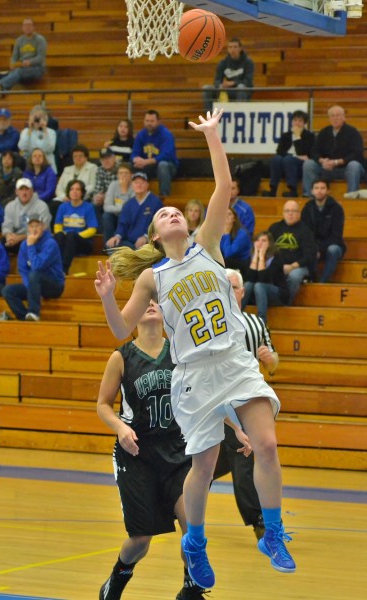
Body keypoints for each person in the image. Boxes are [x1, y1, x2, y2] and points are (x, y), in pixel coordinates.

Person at [95, 109, 296, 590]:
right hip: (192, 375)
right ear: (156, 236)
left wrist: (212, 136)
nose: (171, 213)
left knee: (266, 444)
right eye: (162, 214)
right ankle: (196, 542)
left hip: (233, 360)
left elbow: (223, 185)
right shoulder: (152, 277)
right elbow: (121, 330)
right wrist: (106, 298)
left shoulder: (208, 242)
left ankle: (272, 531)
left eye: (174, 210)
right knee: (203, 467)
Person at [97, 301, 209, 600]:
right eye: (143, 300)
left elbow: (206, 397)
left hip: (179, 454)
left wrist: (238, 429)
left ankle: (191, 591)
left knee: (193, 534)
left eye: (156, 300)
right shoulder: (121, 357)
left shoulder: (181, 353)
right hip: (138, 456)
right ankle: (116, 582)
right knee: (140, 540)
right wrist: (121, 428)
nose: (149, 303)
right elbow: (103, 405)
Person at [214, 267, 280, 540]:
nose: (229, 291)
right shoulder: (213, 324)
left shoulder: (256, 324)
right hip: (217, 401)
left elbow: (274, 364)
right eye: (223, 287)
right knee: (215, 461)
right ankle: (178, 493)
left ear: (242, 291)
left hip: (247, 404)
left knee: (241, 458)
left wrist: (270, 358)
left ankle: (260, 521)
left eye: (233, 287)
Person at [2, 213, 64, 321]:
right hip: (34, 284)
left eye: (37, 226)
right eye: (31, 226)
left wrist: (31, 245)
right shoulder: (23, 245)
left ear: (43, 227)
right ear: (28, 228)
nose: (34, 229)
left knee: (34, 274)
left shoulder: (50, 244)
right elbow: (22, 269)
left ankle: (33, 312)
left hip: (54, 285)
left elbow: (36, 266)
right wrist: (30, 288)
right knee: (8, 291)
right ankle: (25, 319)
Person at [302, 105, 365, 196]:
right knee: (308, 164)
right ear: (329, 118)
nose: (335, 118)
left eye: (338, 115)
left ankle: (352, 196)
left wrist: (337, 162)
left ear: (344, 117)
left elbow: (357, 153)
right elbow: (314, 151)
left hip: (345, 168)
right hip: (326, 168)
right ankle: (309, 195)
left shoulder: (353, 132)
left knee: (354, 165)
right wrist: (322, 161)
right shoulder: (324, 132)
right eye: (332, 115)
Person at [269, 200, 317, 304]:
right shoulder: (274, 228)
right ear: (283, 213)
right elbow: (268, 249)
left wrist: (292, 266)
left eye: (293, 211)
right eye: (287, 211)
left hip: (299, 266)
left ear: (299, 213)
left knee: (294, 277)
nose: (290, 213)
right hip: (277, 264)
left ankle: (287, 304)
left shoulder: (306, 231)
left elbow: (309, 256)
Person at [301, 179, 346, 283]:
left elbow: (336, 236)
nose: (319, 191)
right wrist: (314, 248)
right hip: (314, 245)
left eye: (322, 188)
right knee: (308, 249)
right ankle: (310, 279)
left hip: (333, 244)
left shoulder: (336, 208)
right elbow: (306, 234)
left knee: (333, 249)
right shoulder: (307, 208)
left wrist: (319, 249)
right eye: (316, 188)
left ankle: (322, 283)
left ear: (328, 191)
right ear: (312, 191)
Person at [263, 110, 315, 198]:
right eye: (295, 120)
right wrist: (292, 155)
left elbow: (303, 152)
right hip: (286, 160)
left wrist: (298, 137)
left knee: (288, 159)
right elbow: (279, 151)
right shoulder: (286, 135)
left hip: (300, 164)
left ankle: (293, 190)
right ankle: (273, 189)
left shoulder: (309, 136)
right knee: (276, 159)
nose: (297, 123)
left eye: (300, 121)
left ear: (304, 123)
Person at [105, 172, 163, 251]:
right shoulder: (128, 204)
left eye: (142, 182)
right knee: (112, 246)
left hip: (149, 242)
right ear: (132, 186)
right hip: (130, 243)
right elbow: (123, 224)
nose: (139, 185)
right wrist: (117, 236)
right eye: (136, 183)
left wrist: (146, 236)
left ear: (147, 185)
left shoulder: (156, 202)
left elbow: (158, 225)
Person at [242, 231, 289, 323]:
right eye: (258, 240)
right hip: (257, 295)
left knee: (259, 285)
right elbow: (249, 278)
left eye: (263, 241)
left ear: (270, 243)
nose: (260, 243)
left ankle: (262, 321)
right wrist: (256, 255)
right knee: (247, 284)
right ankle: (236, 315)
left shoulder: (277, 257)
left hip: (277, 294)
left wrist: (262, 257)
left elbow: (264, 279)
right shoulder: (251, 257)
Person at [54, 180, 98, 274]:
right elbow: (57, 226)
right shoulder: (63, 207)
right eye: (72, 189)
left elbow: (92, 229)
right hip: (67, 241)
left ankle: (63, 270)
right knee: (58, 236)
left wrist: (75, 235)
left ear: (82, 192)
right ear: (68, 192)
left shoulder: (88, 207)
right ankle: (53, 267)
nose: (74, 191)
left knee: (71, 236)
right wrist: (64, 234)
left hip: (83, 243)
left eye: (78, 189)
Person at [131, 110, 178, 198]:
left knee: (162, 165)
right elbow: (134, 152)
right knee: (132, 165)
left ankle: (164, 196)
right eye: (147, 121)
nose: (149, 123)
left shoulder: (166, 134)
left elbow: (166, 155)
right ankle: (134, 196)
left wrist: (146, 162)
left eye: (152, 121)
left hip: (168, 166)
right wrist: (136, 159)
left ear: (158, 121)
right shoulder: (141, 134)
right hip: (148, 166)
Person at [0, 18, 46, 92]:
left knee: (18, 72)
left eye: (29, 25)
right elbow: (14, 56)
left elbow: (40, 57)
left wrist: (30, 62)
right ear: (22, 27)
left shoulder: (40, 39)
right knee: (6, 74)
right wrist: (12, 63)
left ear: (33, 27)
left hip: (37, 69)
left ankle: (0, 87)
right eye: (25, 25)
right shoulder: (19, 40)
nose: (27, 27)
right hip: (22, 68)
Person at [203, 38, 254, 111]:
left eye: (235, 47)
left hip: (241, 91)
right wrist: (221, 85)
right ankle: (210, 117)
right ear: (228, 49)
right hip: (227, 91)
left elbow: (248, 81)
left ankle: (240, 113)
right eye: (230, 47)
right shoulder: (223, 62)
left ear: (240, 48)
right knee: (207, 88)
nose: (232, 49)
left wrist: (233, 83)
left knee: (241, 87)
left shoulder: (248, 62)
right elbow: (217, 80)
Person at [1, 178, 51, 254]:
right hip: (15, 238)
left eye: (27, 189)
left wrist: (20, 238)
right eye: (21, 189)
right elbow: (7, 225)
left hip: (36, 239)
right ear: (16, 192)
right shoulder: (9, 206)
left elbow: (43, 229)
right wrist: (9, 236)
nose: (24, 193)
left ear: (32, 191)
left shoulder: (42, 206)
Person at [18, 105, 57, 173]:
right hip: (31, 165)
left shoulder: (51, 132)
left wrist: (45, 130)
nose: (37, 120)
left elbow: (50, 148)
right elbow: (22, 147)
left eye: (40, 117)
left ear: (45, 119)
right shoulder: (25, 131)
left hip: (47, 165)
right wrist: (30, 130)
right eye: (35, 117)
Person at [102, 163, 133, 243]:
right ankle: (107, 245)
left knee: (123, 217)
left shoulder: (134, 186)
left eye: (126, 173)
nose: (123, 175)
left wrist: (124, 190)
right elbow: (106, 207)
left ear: (131, 175)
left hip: (129, 217)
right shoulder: (113, 185)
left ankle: (121, 243)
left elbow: (130, 209)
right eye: (121, 173)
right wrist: (120, 209)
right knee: (106, 216)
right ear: (117, 175)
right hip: (114, 215)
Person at [220, 207, 251, 276]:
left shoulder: (242, 233)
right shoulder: (218, 231)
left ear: (234, 218)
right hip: (228, 262)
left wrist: (227, 234)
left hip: (242, 264)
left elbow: (228, 253)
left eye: (229, 214)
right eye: (224, 214)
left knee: (225, 261)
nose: (226, 216)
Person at [93, 148, 118, 222]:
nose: (106, 161)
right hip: (105, 200)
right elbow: (97, 190)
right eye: (103, 159)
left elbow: (120, 191)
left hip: (118, 201)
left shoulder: (120, 169)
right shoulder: (100, 170)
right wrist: (97, 197)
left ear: (114, 158)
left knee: (107, 215)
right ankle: (101, 231)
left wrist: (106, 196)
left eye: (108, 158)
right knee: (93, 205)